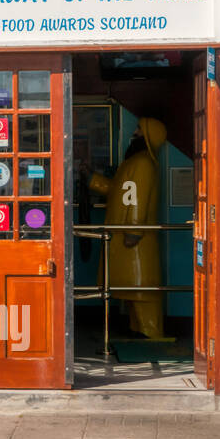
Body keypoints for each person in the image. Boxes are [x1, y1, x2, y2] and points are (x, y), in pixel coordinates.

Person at [88, 117, 167, 340]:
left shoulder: (141, 164)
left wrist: (134, 230)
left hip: (133, 238)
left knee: (143, 289)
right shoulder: (135, 162)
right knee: (134, 288)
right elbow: (119, 191)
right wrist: (91, 179)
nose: (135, 133)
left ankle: (151, 331)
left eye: (139, 129)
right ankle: (139, 328)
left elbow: (137, 200)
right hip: (125, 235)